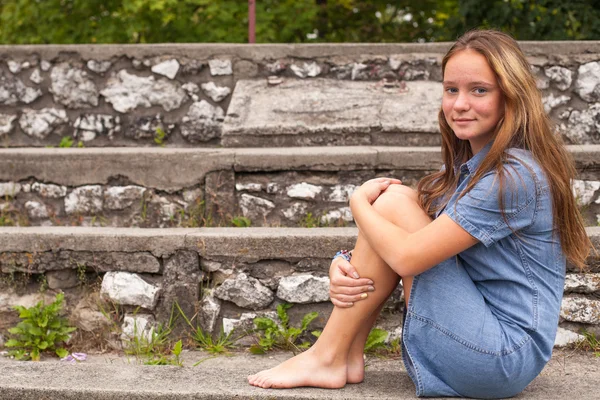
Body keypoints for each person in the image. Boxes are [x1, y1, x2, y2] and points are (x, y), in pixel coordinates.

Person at [247, 29, 592, 398]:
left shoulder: (514, 176)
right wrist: (344, 262)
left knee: (393, 201)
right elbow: (397, 242)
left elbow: (408, 256)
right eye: (451, 90)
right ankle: (343, 356)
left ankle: (328, 354)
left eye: (479, 90)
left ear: (511, 97)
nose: (460, 104)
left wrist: (357, 204)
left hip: (498, 355)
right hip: (487, 343)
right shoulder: (473, 169)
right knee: (397, 203)